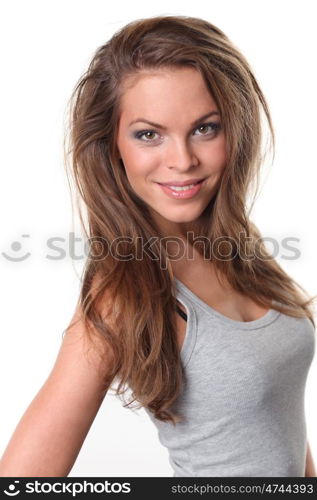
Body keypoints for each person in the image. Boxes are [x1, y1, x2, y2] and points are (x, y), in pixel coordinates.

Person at [0, 15, 316, 478]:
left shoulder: (240, 249)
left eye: (205, 128)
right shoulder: (122, 296)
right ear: (112, 147)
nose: (183, 160)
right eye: (149, 134)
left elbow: (275, 426)